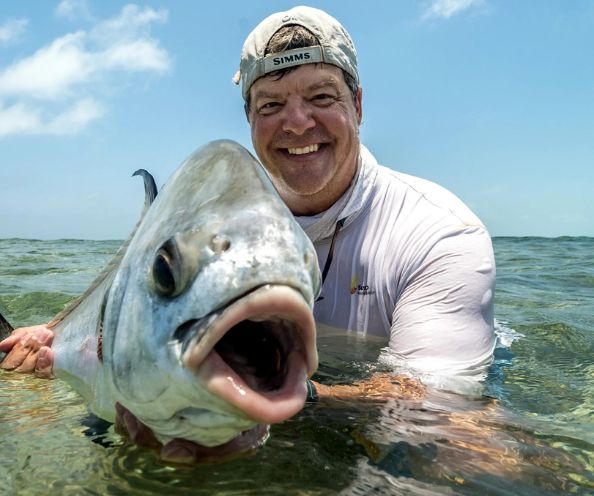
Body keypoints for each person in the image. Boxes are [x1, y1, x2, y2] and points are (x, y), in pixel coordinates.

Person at [0, 5, 495, 458]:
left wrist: (273, 397)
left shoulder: (438, 233)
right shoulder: (210, 222)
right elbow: (111, 332)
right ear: (249, 118)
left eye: (321, 96)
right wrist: (50, 344)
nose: (298, 123)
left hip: (330, 412)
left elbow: (438, 403)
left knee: (469, 458)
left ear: (359, 105)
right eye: (271, 104)